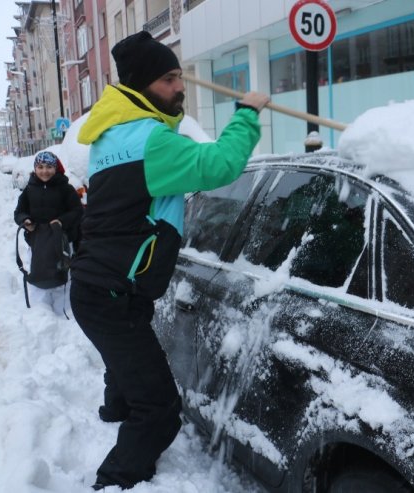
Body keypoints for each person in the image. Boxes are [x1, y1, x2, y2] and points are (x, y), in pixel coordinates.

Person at [68, 31, 269, 490]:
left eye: (180, 76)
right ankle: (116, 480)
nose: (181, 87)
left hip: (105, 286)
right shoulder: (153, 142)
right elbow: (220, 165)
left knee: (126, 362)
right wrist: (247, 114)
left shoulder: (113, 134)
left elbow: (138, 196)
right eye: (169, 78)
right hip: (111, 292)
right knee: (159, 408)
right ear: (141, 85)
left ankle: (115, 410)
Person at [14, 150, 83, 249]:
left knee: (64, 265)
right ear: (35, 169)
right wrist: (25, 220)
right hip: (36, 242)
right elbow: (19, 212)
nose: (44, 171)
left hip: (62, 241)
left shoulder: (66, 188)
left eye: (49, 167)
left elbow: (78, 211)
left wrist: (61, 222)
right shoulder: (29, 189)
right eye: (40, 167)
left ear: (55, 168)